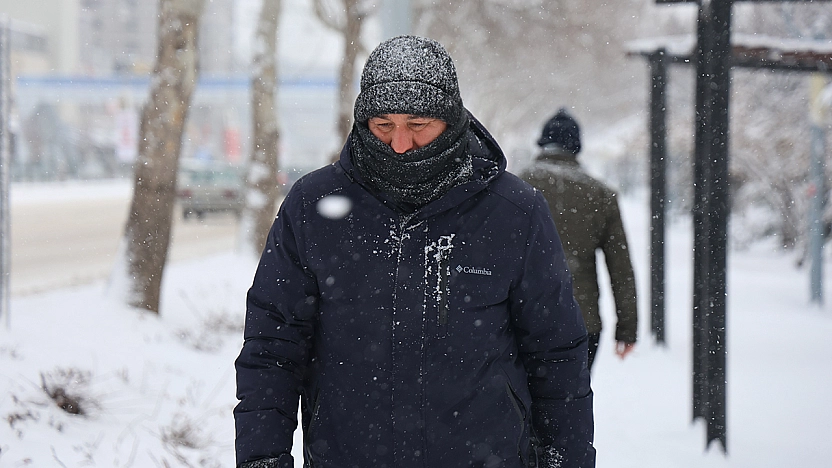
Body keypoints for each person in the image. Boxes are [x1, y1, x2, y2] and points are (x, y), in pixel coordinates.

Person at [234, 36, 595, 468]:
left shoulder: (514, 213)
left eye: (418, 124)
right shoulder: (312, 207)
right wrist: (262, 458)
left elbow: (555, 355)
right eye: (383, 125)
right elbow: (272, 348)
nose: (399, 143)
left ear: (452, 119)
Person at [520, 108, 638, 372]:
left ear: (542, 143)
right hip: (582, 321)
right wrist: (627, 329)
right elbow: (621, 269)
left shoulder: (517, 187)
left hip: (524, 319)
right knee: (571, 405)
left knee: (520, 405)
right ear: (576, 147)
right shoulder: (600, 195)